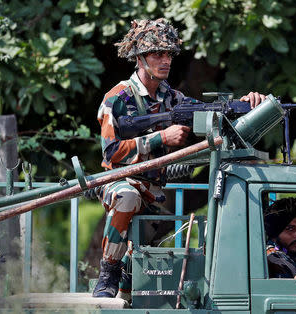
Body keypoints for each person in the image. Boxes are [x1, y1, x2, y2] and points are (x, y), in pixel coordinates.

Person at [92, 18, 266, 298]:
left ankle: (126, 271)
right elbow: (112, 152)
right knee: (127, 197)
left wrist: (247, 104)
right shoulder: (118, 98)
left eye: (169, 54)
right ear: (140, 59)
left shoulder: (173, 98)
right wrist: (162, 137)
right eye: (157, 54)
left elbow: (213, 110)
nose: (166, 60)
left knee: (165, 229)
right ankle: (107, 271)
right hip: (118, 181)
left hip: (155, 191)